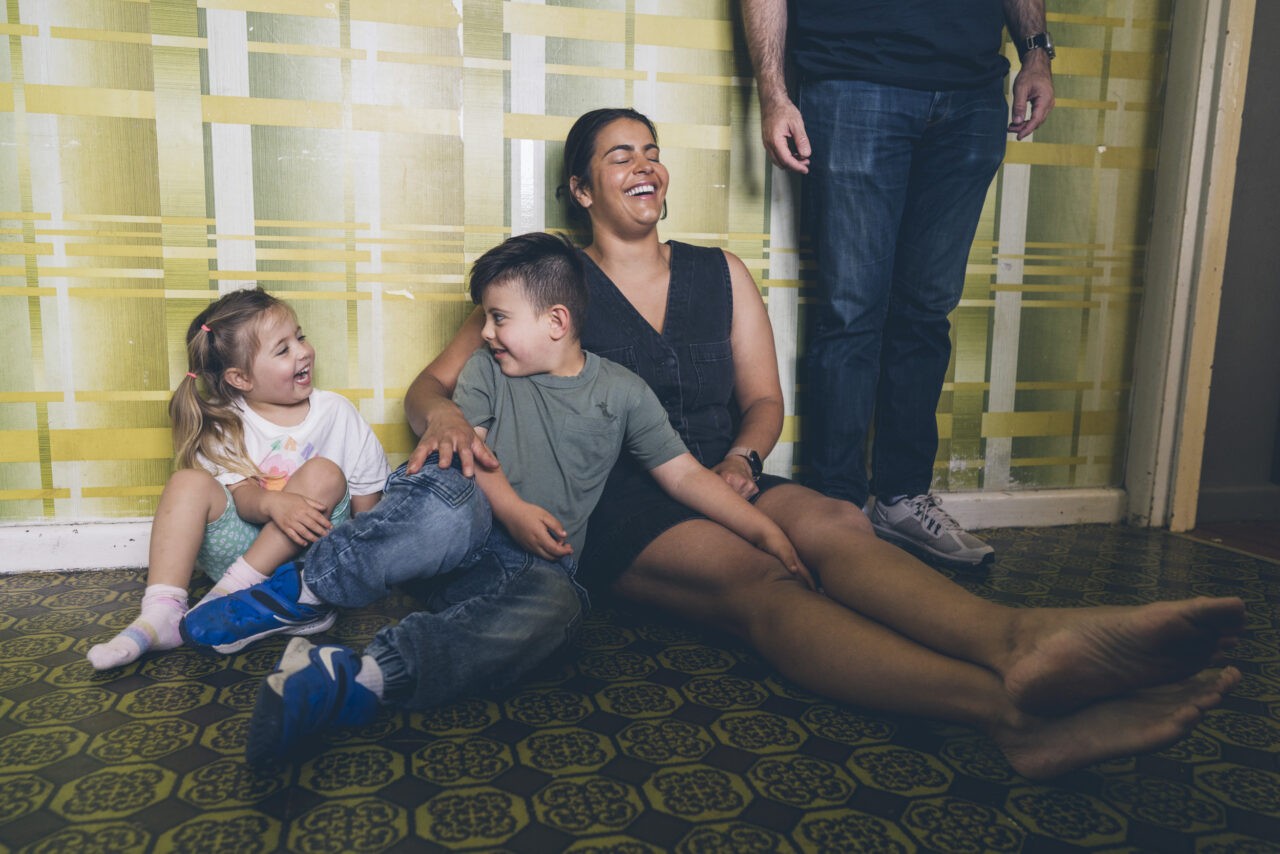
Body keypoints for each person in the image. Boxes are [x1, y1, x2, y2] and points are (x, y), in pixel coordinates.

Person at [401, 107, 1245, 781]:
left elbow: (763, 399)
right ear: (581, 189)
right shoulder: (546, 287)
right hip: (617, 501)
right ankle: (1010, 714)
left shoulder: (719, 271)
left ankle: (1021, 640)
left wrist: (741, 461)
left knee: (840, 525)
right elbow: (430, 389)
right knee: (762, 582)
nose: (644, 165)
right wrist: (440, 416)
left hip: (723, 472)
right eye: (619, 155)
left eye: (652, 150)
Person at [181, 232, 809, 764]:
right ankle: (306, 591)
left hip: (513, 569)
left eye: (498, 317)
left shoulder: (623, 394)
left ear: (556, 321)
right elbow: (472, 460)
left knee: (560, 607)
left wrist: (763, 531)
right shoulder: (486, 370)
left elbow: (685, 476)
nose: (484, 332)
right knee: (454, 498)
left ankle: (363, 681)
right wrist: (510, 508)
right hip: (451, 527)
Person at [740, 0, 1057, 567]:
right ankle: (835, 511)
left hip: (972, 89)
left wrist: (1037, 53)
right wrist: (773, 91)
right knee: (850, 310)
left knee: (927, 309)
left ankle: (902, 499)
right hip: (852, 81)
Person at [86, 288, 389, 670]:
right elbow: (243, 498)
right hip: (239, 555)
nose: (303, 351)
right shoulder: (226, 422)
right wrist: (275, 502)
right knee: (187, 482)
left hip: (312, 556)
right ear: (240, 378)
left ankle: (235, 599)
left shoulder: (337, 413)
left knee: (323, 474)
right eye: (283, 350)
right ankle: (163, 610)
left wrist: (363, 572)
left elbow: (368, 507)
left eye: (300, 336)